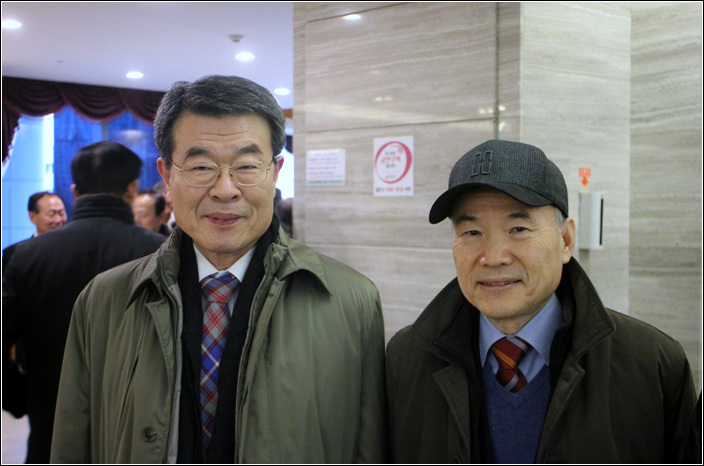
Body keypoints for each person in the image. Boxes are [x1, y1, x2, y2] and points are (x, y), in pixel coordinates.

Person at [51, 75, 388, 464]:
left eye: (247, 165)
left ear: (275, 172)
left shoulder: (350, 301)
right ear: (167, 175)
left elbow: (368, 447)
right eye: (201, 166)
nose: (225, 189)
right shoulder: (105, 300)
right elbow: (73, 442)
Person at [385, 139, 697, 463]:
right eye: (472, 233)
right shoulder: (408, 361)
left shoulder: (652, 366)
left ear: (566, 240)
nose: (493, 257)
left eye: (518, 228)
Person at [2, 141, 167, 464]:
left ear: (75, 191)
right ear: (132, 188)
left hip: (50, 414)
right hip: (140, 423)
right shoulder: (161, 252)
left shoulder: (27, 256)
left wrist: (19, 396)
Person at [2, 191, 67, 271]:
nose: (58, 220)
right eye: (51, 214)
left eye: (61, 213)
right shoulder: (14, 253)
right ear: (32, 217)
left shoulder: (73, 249)